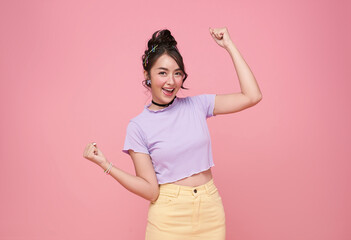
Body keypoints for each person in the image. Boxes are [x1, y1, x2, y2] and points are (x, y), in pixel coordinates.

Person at [83, 27, 262, 240]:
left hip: (210, 209)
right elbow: (151, 191)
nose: (171, 81)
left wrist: (229, 46)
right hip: (169, 216)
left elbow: (252, 96)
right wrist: (107, 165)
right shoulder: (138, 127)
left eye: (177, 73)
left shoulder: (198, 105)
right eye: (162, 72)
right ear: (146, 75)